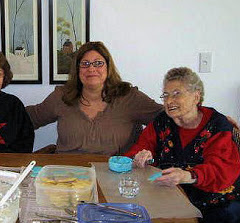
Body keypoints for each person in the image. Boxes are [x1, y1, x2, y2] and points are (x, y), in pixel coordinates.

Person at [125, 67, 240, 223]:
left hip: (215, 201)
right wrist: (140, 157)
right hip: (171, 195)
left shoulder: (217, 126)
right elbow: (139, 148)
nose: (169, 101)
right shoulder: (162, 122)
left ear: (196, 96)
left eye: (177, 94)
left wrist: (188, 175)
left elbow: (221, 171)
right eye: (165, 95)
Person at [26, 41, 163, 155]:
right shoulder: (62, 96)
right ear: (77, 69)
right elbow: (26, 118)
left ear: (108, 67)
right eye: (85, 64)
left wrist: (146, 148)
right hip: (66, 176)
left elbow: (166, 118)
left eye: (98, 63)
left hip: (114, 177)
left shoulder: (129, 97)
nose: (91, 69)